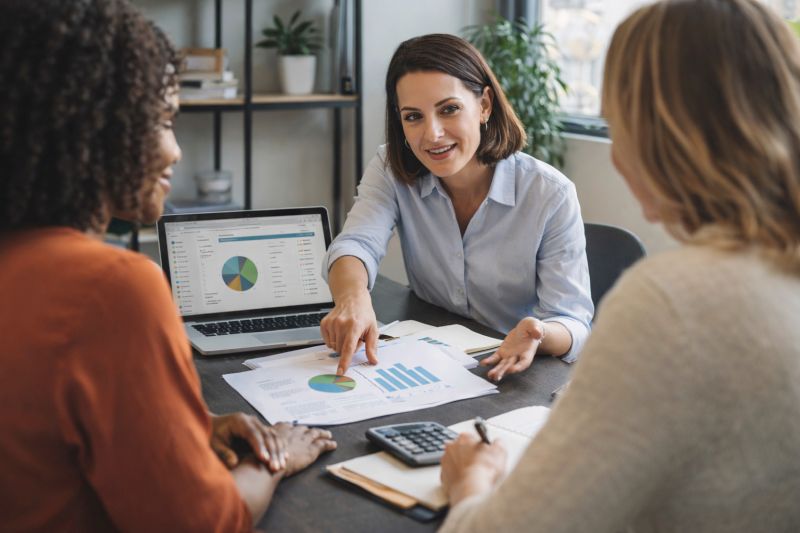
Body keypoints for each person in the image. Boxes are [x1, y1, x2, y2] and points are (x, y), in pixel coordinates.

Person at [438, 0, 800, 531]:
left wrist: (470, 477)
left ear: (664, 134)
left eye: (616, 125)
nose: (614, 154)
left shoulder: (672, 301)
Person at [0, 1, 336, 531]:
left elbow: (45, 426)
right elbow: (206, 522)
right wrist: (271, 460)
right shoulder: (112, 288)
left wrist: (195, 426)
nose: (175, 151)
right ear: (97, 130)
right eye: (162, 121)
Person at [321, 34, 593, 377]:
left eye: (448, 109)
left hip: (511, 373)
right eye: (413, 116)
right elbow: (356, 243)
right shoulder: (390, 168)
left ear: (484, 105)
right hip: (433, 359)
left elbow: (573, 322)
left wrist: (539, 334)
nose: (432, 134)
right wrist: (353, 299)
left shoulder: (550, 193)